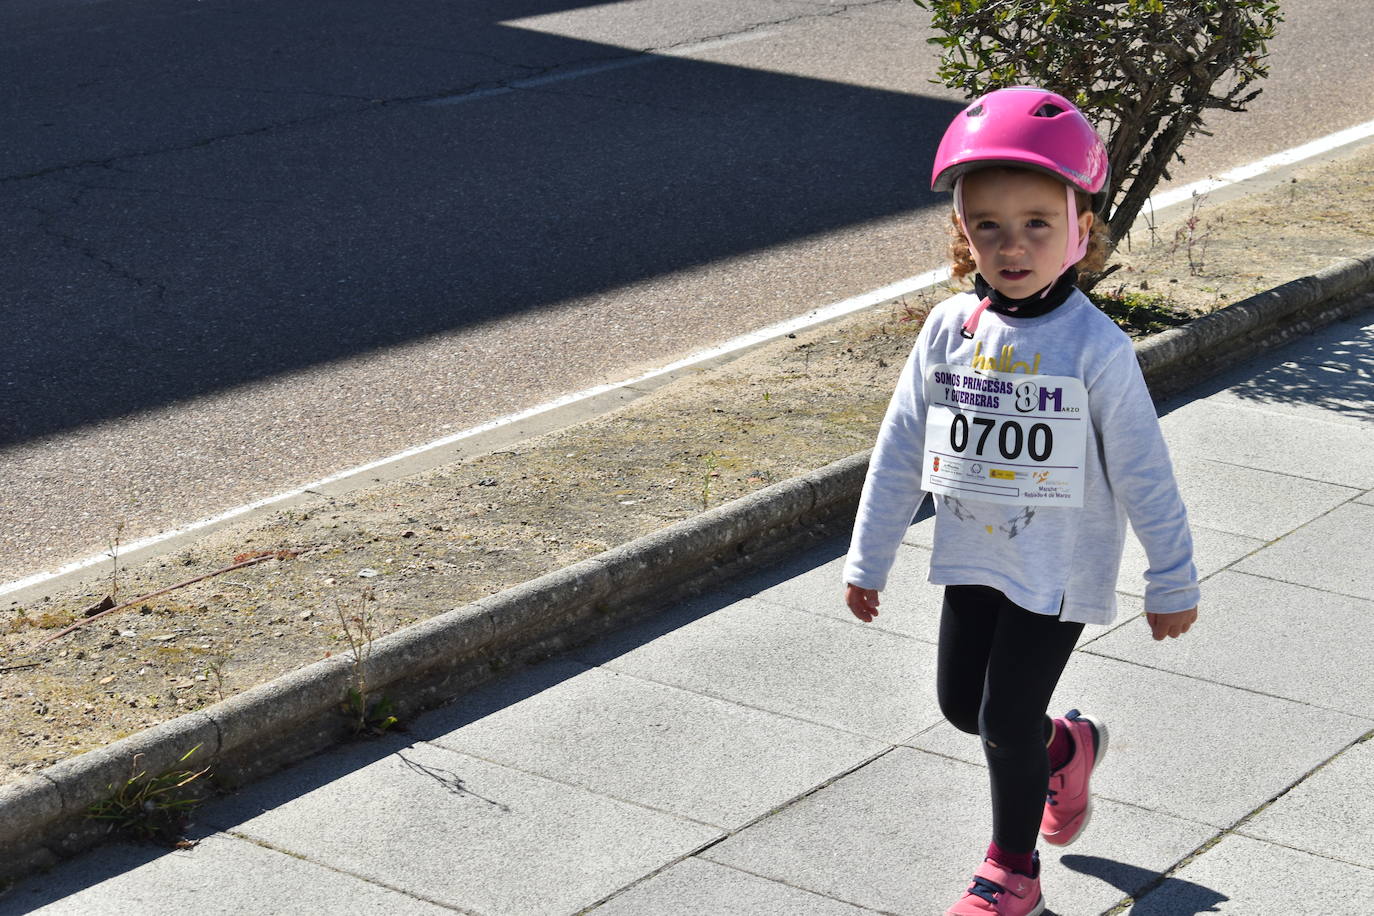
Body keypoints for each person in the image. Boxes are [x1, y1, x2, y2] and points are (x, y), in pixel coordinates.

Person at [842, 86, 1200, 916]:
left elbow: (1147, 472)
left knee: (1004, 714)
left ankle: (1013, 875)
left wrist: (1171, 578)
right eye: (988, 225)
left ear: (1082, 229)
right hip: (973, 552)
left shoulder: (1095, 350)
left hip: (1059, 568)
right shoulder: (948, 329)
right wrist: (871, 558)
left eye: (1037, 221)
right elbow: (900, 446)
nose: (1013, 244)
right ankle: (1065, 747)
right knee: (964, 709)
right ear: (962, 233)